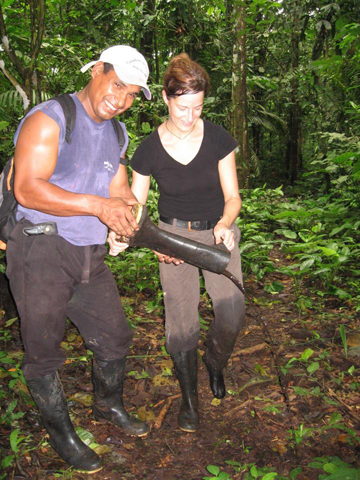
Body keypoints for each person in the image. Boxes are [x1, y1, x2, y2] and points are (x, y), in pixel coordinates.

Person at [6, 45, 152, 473]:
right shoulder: (49, 118)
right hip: (40, 250)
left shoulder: (117, 134)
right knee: (43, 350)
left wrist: (128, 216)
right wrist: (98, 207)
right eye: (118, 84)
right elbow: (27, 189)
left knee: (115, 336)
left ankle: (108, 405)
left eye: (132, 94)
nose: (121, 99)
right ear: (98, 70)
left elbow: (118, 191)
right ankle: (62, 434)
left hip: (89, 253)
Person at [109, 53, 246, 433]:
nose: (190, 116)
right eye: (183, 107)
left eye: (198, 107)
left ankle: (215, 362)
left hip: (217, 235)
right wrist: (139, 237)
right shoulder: (149, 148)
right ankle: (190, 400)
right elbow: (135, 205)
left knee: (232, 312)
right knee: (181, 325)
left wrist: (224, 222)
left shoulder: (218, 138)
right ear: (167, 100)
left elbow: (233, 196)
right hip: (172, 238)